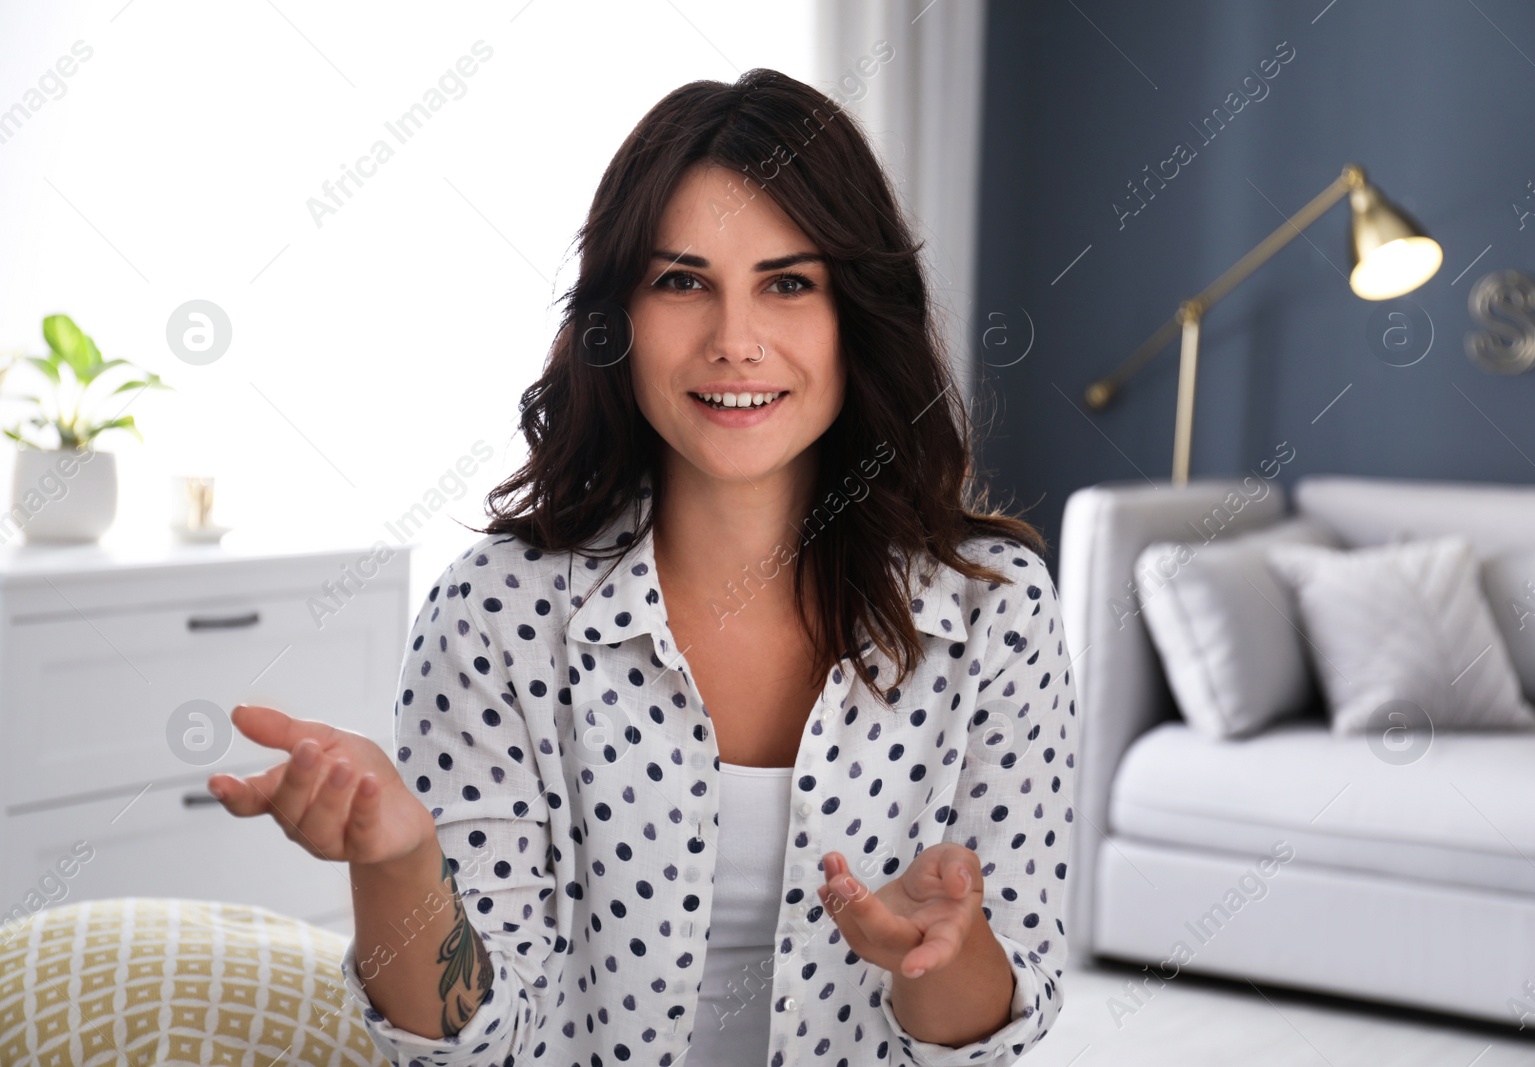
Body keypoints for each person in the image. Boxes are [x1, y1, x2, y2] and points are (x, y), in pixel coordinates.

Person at [209, 67, 1079, 1066]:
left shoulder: (993, 609)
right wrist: (402, 864)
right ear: (616, 317)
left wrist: (935, 951)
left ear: (857, 314)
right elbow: (480, 1048)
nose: (735, 340)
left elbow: (993, 1030)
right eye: (682, 282)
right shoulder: (494, 609)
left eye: (788, 283)